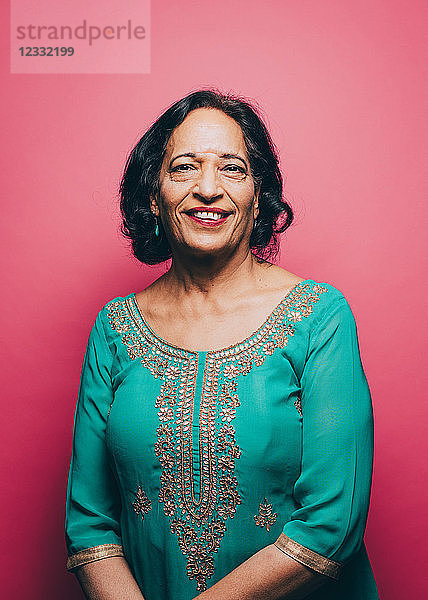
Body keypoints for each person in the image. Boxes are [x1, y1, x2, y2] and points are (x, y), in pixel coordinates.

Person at [64, 90, 379, 600]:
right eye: (184, 167)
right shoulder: (115, 328)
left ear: (259, 198)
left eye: (232, 169)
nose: (207, 188)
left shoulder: (320, 317)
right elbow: (90, 525)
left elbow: (332, 523)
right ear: (153, 195)